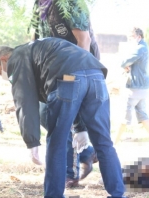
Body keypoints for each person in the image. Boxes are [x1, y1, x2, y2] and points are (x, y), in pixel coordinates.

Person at [0, 37, 128, 198]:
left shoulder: (18, 56)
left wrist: (32, 142)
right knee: (104, 143)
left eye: (0, 72)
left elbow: (24, 100)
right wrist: (80, 128)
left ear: (4, 59)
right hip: (96, 76)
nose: (4, 76)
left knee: (57, 142)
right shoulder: (40, 49)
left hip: (68, 78)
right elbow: (77, 80)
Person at [29, 0, 100, 186]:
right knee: (45, 114)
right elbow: (35, 38)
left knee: (61, 119)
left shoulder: (71, 3)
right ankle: (86, 152)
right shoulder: (39, 4)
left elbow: (84, 40)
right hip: (50, 69)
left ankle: (70, 172)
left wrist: (75, 76)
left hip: (75, 68)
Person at [114, 27, 149, 144]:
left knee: (125, 116)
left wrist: (125, 65)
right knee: (142, 114)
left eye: (131, 37)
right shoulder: (143, 47)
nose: (130, 39)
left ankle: (114, 143)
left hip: (136, 88)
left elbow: (124, 61)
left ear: (139, 36)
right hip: (142, 87)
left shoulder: (140, 48)